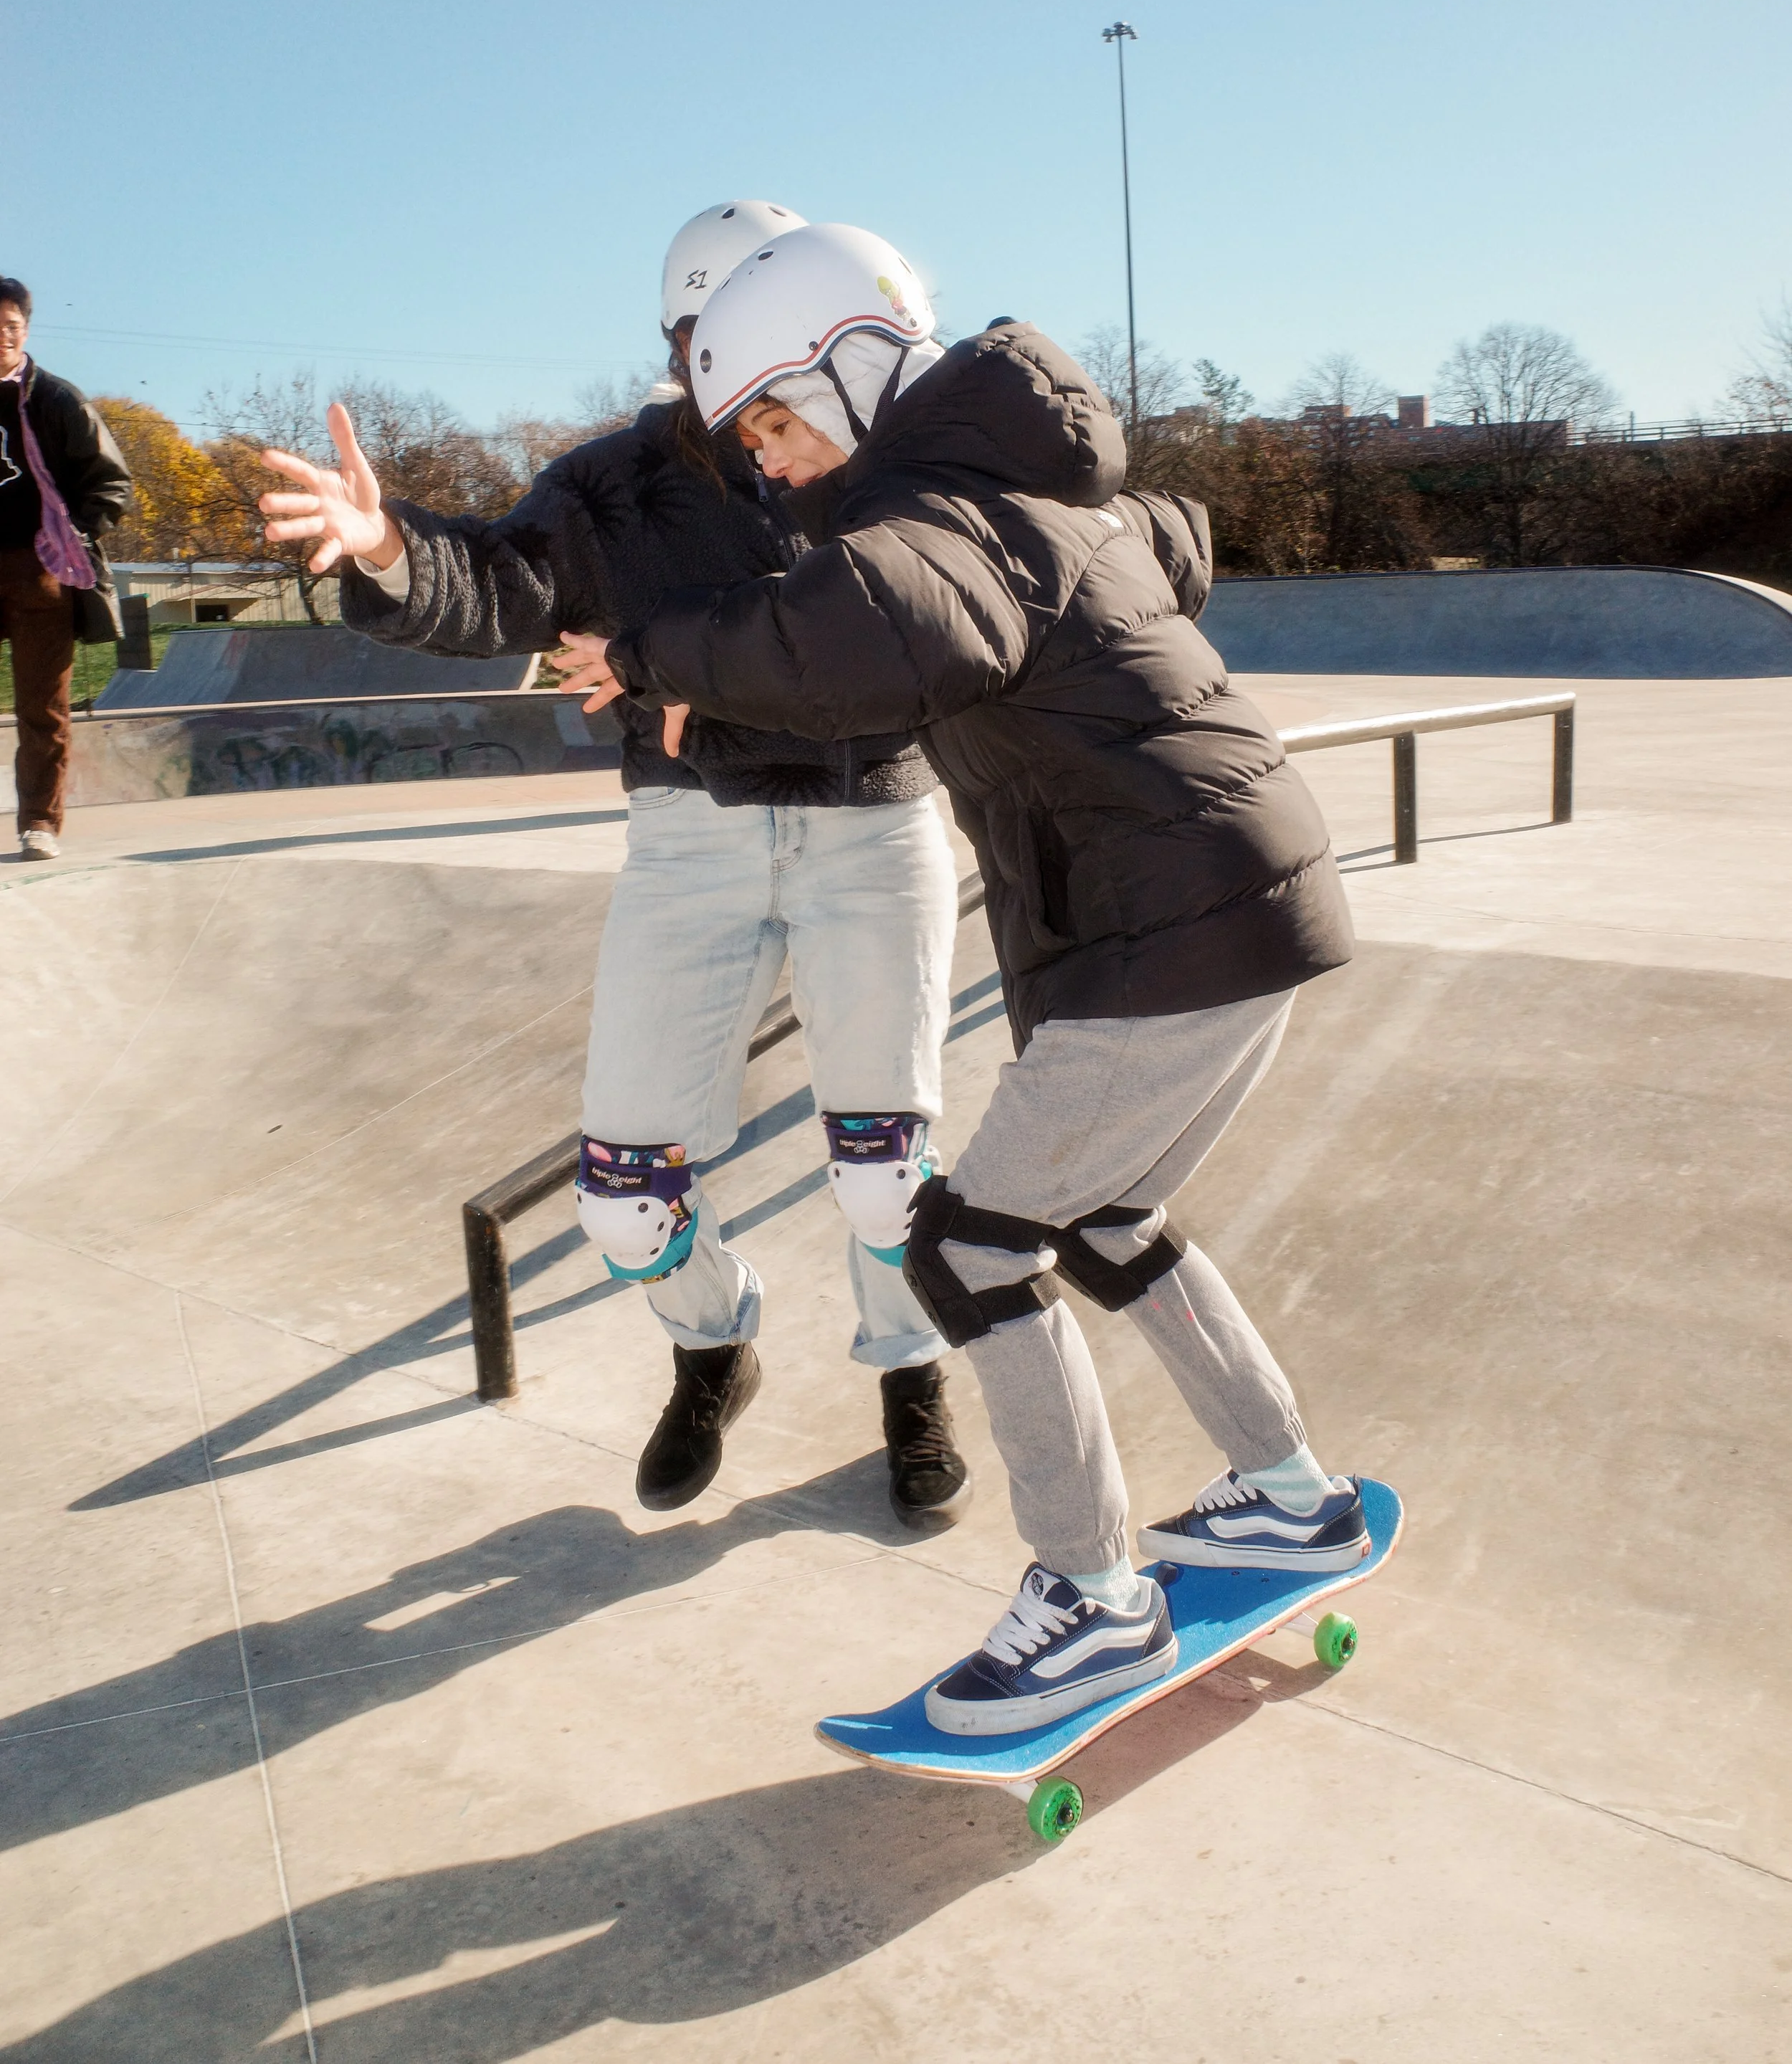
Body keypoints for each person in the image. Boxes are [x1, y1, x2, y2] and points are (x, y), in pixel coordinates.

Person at [558, 222, 1368, 1735]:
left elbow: (854, 627)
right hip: (1237, 901)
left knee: (972, 1249)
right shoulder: (1037, 492)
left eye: (781, 427)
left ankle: (1092, 1600)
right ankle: (1284, 1492)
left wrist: (658, 653)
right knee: (1107, 1220)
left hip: (1162, 925)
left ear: (852, 371)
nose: (772, 468)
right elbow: (1152, 545)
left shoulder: (931, 523)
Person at [256, 205, 973, 1532]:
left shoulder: (883, 463)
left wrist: (688, 661)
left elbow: (917, 626)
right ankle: (714, 1343)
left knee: (885, 1159)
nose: (754, 387)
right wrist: (387, 549)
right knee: (626, 1196)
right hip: (689, 836)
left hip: (872, 826)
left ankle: (910, 1371)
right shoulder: (610, 485)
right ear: (679, 342)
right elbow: (500, 578)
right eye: (717, 347)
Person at [0, 277, 133, 860]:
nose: (1, 336)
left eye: (11, 326)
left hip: (38, 572)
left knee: (43, 706)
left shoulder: (54, 399)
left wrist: (73, 537)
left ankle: (40, 822)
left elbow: (112, 481)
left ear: (26, 330)